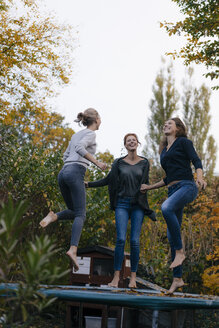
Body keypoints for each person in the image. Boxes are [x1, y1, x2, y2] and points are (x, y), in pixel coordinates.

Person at [140, 118, 207, 294]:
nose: (165, 125)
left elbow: (196, 161)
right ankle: (177, 279)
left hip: (187, 186)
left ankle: (180, 252)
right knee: (171, 236)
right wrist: (149, 187)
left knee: (166, 208)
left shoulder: (184, 142)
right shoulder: (164, 151)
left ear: (178, 128)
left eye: (170, 123)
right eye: (165, 124)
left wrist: (199, 177)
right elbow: (168, 178)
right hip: (173, 190)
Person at [39, 108, 107, 271]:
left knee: (73, 210)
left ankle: (53, 216)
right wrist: (97, 163)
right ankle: (73, 249)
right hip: (74, 171)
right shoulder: (91, 134)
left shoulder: (76, 134)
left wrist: (71, 171)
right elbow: (79, 148)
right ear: (96, 119)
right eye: (101, 118)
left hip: (63, 173)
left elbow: (65, 156)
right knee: (80, 214)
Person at [86, 133, 156, 288]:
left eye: (133, 140)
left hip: (137, 205)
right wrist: (89, 184)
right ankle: (116, 277)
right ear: (125, 145)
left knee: (135, 241)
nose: (131, 142)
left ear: (138, 143)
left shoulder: (145, 163)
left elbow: (145, 184)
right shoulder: (118, 163)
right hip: (122, 204)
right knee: (120, 240)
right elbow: (107, 180)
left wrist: (147, 189)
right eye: (128, 141)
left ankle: (132, 278)